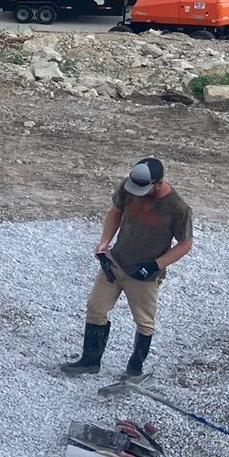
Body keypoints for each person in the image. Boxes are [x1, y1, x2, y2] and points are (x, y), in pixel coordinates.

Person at [60, 157, 194, 382]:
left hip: (145, 275)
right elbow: (116, 211)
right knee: (96, 308)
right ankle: (90, 360)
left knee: (144, 322)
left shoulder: (177, 208)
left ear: (158, 183)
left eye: (144, 189)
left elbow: (185, 244)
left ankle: (135, 369)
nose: (137, 193)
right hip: (116, 262)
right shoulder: (128, 187)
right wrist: (104, 242)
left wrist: (155, 265)